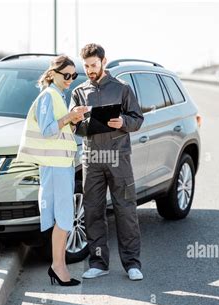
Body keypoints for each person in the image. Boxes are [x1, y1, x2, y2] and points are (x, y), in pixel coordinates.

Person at [70, 44, 145, 281]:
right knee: (92, 211)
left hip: (118, 158)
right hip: (92, 158)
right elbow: (74, 126)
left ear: (104, 61)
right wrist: (79, 120)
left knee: (125, 210)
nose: (90, 70)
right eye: (86, 66)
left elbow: (137, 119)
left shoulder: (122, 89)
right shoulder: (79, 92)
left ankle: (132, 264)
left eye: (94, 65)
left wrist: (122, 121)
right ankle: (99, 263)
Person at [16, 55, 88, 286]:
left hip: (62, 165)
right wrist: (70, 116)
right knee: (64, 218)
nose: (70, 79)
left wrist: (73, 120)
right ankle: (58, 267)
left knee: (63, 217)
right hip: (57, 167)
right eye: (66, 75)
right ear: (52, 74)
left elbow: (58, 130)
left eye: (73, 75)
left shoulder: (58, 95)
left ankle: (58, 266)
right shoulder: (49, 96)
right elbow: (47, 130)